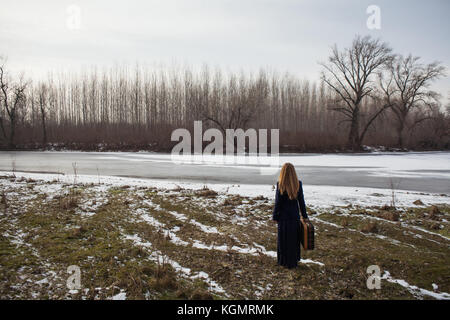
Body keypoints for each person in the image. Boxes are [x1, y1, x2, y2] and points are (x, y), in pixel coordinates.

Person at [272, 162, 309, 269]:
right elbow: (301, 202)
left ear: (283, 172)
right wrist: (304, 216)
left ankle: (283, 262)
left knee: (283, 241)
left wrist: (275, 216)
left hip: (283, 219)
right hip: (294, 218)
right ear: (293, 173)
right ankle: (293, 262)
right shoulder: (298, 184)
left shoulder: (280, 184)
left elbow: (278, 203)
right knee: (294, 241)